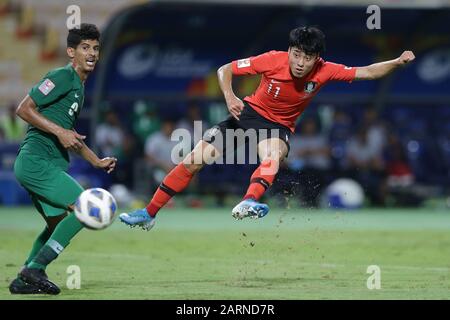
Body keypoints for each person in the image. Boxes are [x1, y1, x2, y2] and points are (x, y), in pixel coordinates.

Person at [119, 26, 415, 230]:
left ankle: (249, 202)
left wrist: (397, 62)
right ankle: (149, 213)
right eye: (296, 54)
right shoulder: (272, 59)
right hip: (247, 115)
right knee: (194, 160)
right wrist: (230, 96)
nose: (300, 63)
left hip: (279, 127)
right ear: (289, 50)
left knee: (272, 154)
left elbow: (367, 71)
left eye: (307, 57)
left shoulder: (325, 70)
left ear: (317, 59)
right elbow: (226, 69)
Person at [9, 24, 117, 295]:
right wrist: (59, 131)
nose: (91, 53)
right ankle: (35, 268)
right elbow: (24, 109)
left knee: (56, 225)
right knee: (84, 209)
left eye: (95, 48)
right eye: (84, 48)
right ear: (71, 52)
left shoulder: (79, 88)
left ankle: (25, 279)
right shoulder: (61, 77)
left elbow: (69, 136)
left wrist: (96, 160)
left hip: (46, 164)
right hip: (36, 161)